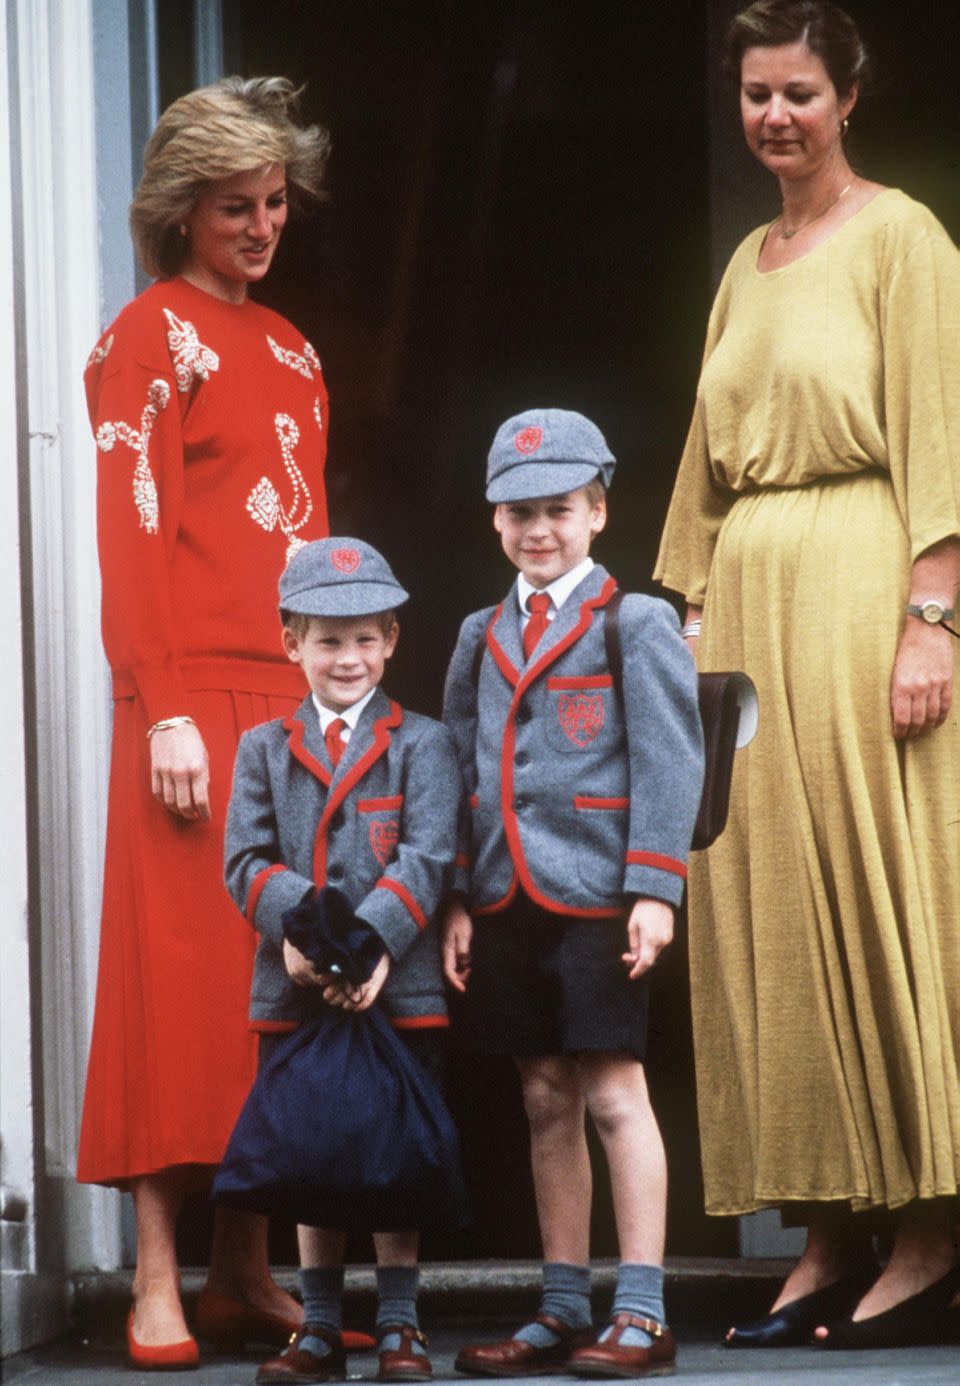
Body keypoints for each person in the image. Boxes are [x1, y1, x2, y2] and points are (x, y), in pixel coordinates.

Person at [655, 0, 960, 1352]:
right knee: (770, 910)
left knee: (874, 888)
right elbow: (703, 462)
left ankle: (931, 1230)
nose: (777, 116)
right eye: (757, 95)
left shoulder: (905, 242)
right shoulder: (746, 260)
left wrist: (931, 618)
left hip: (859, 586)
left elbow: (942, 434)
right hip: (750, 609)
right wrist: (685, 611)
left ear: (847, 98)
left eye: (800, 93)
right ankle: (829, 1228)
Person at [78, 77, 333, 1367]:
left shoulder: (293, 349)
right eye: (236, 204)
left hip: (288, 701)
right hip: (184, 699)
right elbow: (132, 542)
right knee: (174, 989)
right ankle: (158, 1277)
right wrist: (164, 710)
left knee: (272, 988)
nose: (263, 223)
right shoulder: (148, 335)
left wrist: (339, 704)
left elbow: (316, 550)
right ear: (182, 209)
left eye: (276, 200)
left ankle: (248, 1263)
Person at [442, 409, 704, 1379]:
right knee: (543, 1095)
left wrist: (655, 888)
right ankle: (562, 1302)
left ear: (598, 511)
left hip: (599, 895)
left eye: (556, 509)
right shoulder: (479, 633)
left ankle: (641, 1308)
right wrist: (460, 896)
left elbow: (671, 762)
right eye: (516, 513)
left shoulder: (632, 621)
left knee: (611, 1093)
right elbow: (464, 770)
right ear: (495, 523)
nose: (536, 530)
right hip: (508, 897)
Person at [223, 536, 461, 1386]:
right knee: (313, 1155)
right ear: (292, 644)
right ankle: (319, 1327)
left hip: (398, 982)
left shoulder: (423, 743)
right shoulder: (261, 746)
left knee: (394, 1156)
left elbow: (429, 856)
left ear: (392, 639)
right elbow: (245, 860)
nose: (348, 657)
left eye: (365, 638)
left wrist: (377, 949)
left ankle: (401, 1325)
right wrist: (301, 942)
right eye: (327, 639)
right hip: (295, 981)